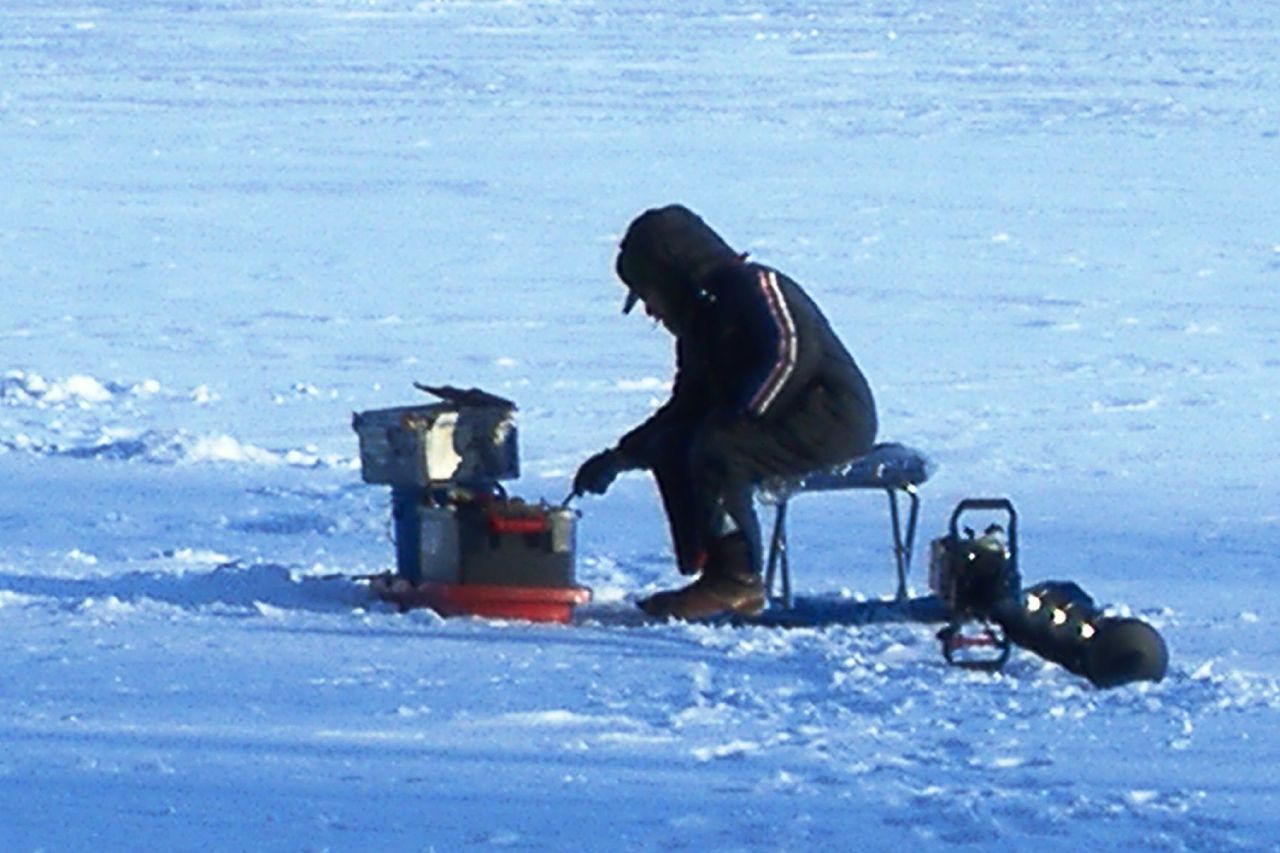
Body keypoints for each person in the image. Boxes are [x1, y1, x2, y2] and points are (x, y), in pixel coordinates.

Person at [573, 205, 877, 620]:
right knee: (675, 441)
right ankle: (711, 567)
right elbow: (685, 408)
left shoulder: (757, 286)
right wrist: (621, 455)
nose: (650, 309)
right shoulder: (700, 326)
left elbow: (789, 354)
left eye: (649, 293)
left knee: (718, 446)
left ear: (671, 276)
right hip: (776, 425)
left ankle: (737, 583)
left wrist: (743, 412)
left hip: (833, 419)